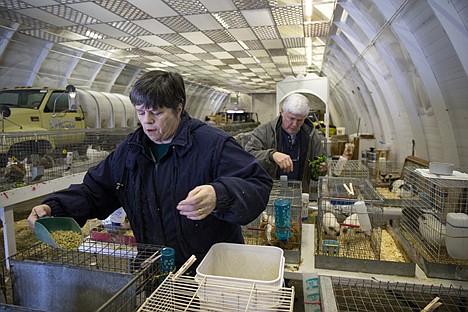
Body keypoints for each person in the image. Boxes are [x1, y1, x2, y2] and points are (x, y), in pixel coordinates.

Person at [28, 70, 273, 272]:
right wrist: (54, 207)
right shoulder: (130, 152)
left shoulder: (213, 145)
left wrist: (220, 195)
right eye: (140, 112)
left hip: (208, 271)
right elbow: (95, 191)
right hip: (154, 269)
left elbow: (257, 184)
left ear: (179, 108)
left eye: (156, 112)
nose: (147, 121)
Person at [244, 93, 326, 192]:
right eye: (291, 118)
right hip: (269, 194)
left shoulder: (312, 137)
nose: (295, 124)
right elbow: (247, 158)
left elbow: (318, 173)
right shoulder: (263, 132)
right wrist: (271, 155)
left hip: (299, 193)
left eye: (300, 120)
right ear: (282, 112)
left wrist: (321, 169)